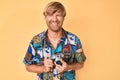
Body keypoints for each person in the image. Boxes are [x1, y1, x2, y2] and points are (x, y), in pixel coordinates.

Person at [23, 1, 86, 80]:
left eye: (58, 15)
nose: (54, 19)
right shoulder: (36, 41)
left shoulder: (74, 40)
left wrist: (68, 67)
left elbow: (81, 64)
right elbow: (28, 66)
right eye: (50, 15)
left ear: (63, 17)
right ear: (45, 17)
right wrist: (43, 68)